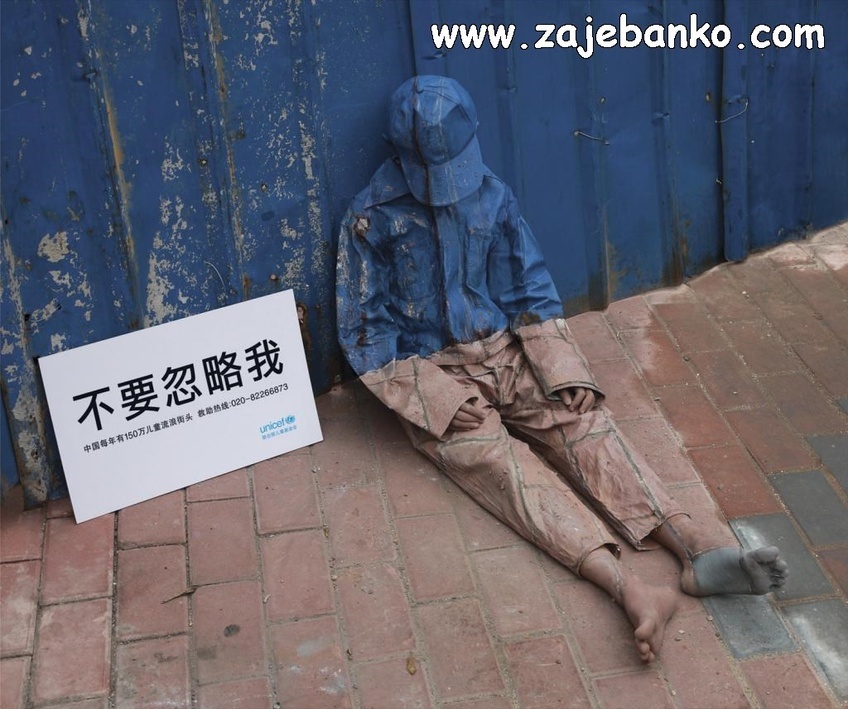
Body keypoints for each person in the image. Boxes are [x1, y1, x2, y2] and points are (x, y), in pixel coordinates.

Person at [335, 75, 787, 663]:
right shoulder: (370, 219)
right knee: (503, 470)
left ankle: (696, 547)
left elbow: (529, 289)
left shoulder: (491, 195)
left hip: (507, 352)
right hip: (435, 375)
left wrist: (562, 369)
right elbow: (365, 332)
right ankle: (628, 588)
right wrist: (437, 400)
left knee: (585, 426)